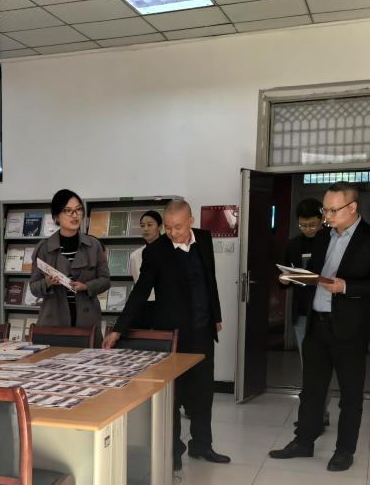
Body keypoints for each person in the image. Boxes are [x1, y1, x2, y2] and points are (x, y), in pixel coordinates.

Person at [269, 182, 370, 472]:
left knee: (350, 393)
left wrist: (347, 286)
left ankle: (344, 450)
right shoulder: (324, 236)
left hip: (351, 329)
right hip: (317, 324)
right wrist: (292, 278)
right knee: (311, 390)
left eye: (332, 210)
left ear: (352, 208)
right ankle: (304, 442)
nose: (326, 216)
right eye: (324, 209)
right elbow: (314, 274)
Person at [103, 198, 229, 469]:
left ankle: (202, 445)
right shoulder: (156, 251)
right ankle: (173, 452)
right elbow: (140, 292)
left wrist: (216, 316)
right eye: (168, 227)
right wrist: (119, 329)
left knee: (203, 392)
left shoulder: (204, 239)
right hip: (173, 335)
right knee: (173, 396)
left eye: (178, 227)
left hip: (202, 329)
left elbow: (210, 281)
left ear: (191, 221)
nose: (172, 232)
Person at [29, 189, 110, 330]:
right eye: (68, 210)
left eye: (78, 210)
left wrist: (86, 286)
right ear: (56, 216)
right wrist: (47, 282)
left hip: (87, 320)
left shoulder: (94, 245)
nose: (75, 215)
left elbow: (105, 280)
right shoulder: (44, 248)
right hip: (54, 319)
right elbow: (34, 288)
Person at [279, 198, 329, 427]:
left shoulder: (331, 241)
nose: (308, 229)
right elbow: (284, 277)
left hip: (326, 312)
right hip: (301, 313)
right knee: (307, 365)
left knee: (323, 365)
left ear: (321, 219)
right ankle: (312, 413)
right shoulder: (293, 244)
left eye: (312, 225)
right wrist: (284, 279)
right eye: (303, 225)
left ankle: (321, 413)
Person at [128, 209, 162, 328]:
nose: (145, 229)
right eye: (142, 226)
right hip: (143, 306)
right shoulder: (135, 255)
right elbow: (137, 281)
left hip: (164, 305)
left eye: (150, 225)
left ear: (159, 227)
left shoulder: (170, 251)